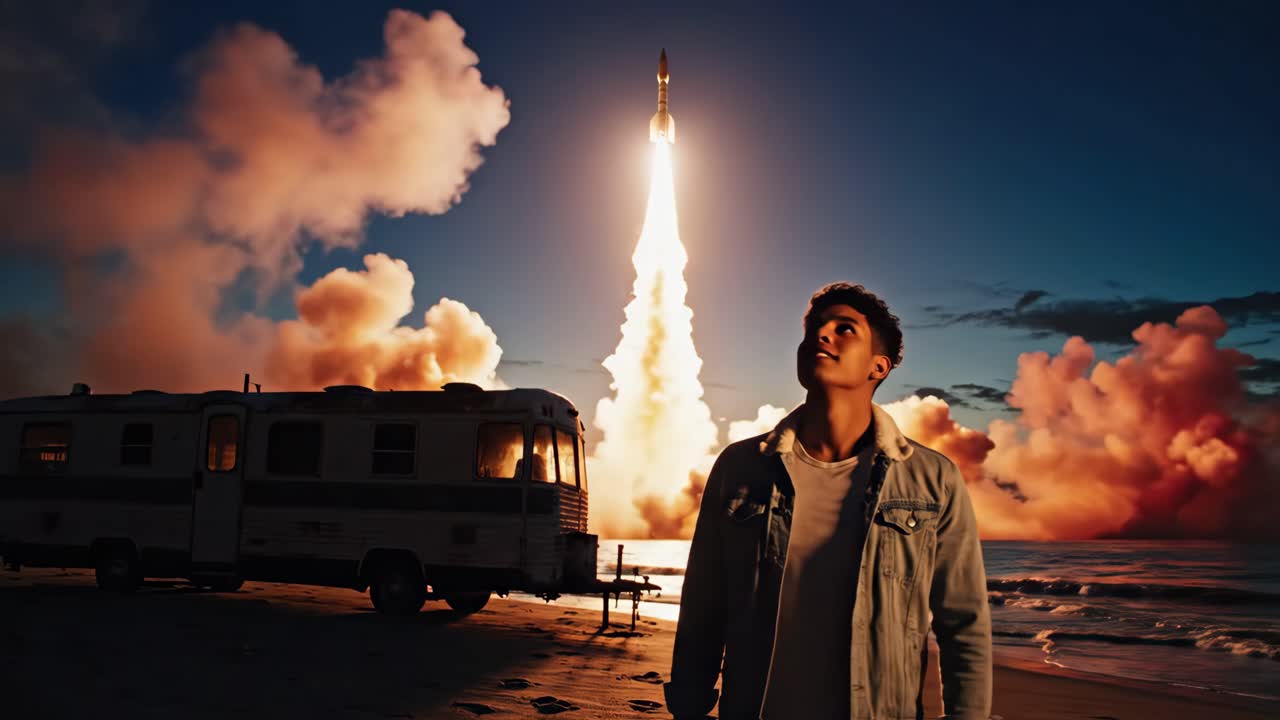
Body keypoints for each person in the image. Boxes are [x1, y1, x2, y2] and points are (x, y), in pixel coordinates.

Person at [665, 282, 992, 719]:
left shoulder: (933, 480)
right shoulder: (740, 467)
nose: (822, 336)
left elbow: (963, 624)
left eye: (845, 330)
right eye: (815, 329)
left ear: (880, 366)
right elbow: (704, 604)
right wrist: (688, 704)